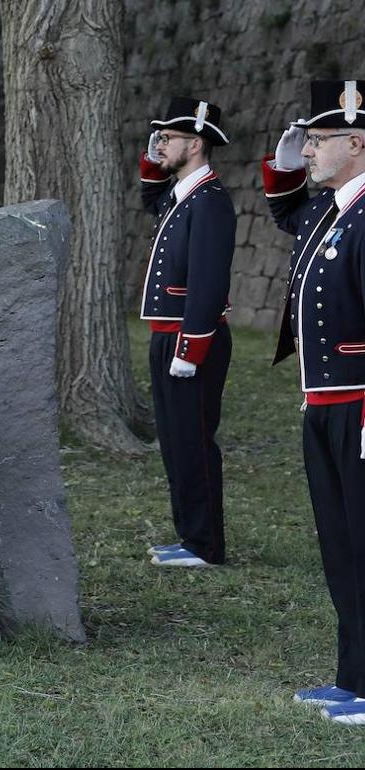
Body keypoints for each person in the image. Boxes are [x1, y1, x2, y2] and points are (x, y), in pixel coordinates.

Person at [262, 79, 365, 726]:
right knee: (340, 545)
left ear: (357, 143)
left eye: (319, 140)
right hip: (324, 404)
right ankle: (353, 679)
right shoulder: (332, 212)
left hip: (359, 407)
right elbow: (284, 207)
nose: (308, 152)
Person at [138, 97, 236, 568]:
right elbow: (148, 196)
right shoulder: (181, 196)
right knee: (175, 440)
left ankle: (205, 545)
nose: (160, 144)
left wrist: (191, 345)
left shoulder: (211, 201)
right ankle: (188, 536)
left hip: (190, 340)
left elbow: (209, 283)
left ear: (195, 144)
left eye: (169, 138)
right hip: (167, 337)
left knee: (194, 440)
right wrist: (154, 156)